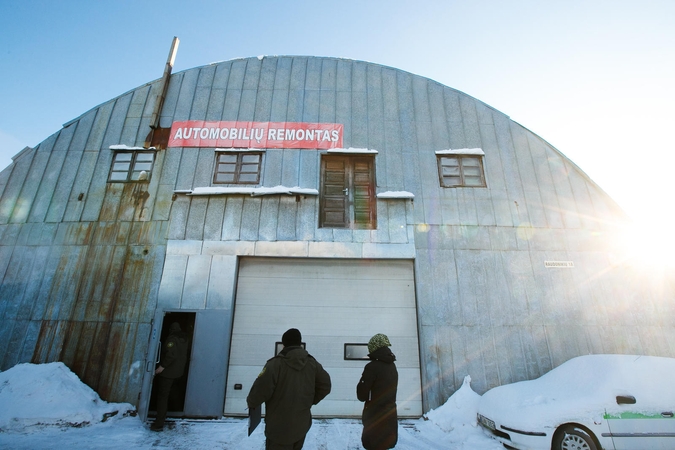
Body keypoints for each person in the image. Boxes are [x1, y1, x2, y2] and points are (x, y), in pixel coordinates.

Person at [247, 328, 332, 450]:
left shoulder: (275, 364)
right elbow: (325, 385)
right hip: (301, 426)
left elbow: (259, 391)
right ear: (299, 342)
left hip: (278, 428)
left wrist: (252, 403)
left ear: (284, 344)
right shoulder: (312, 363)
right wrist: (309, 401)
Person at [357, 333, 399, 450]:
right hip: (390, 415)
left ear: (374, 348)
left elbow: (361, 395)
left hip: (375, 416)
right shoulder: (392, 366)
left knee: (374, 444)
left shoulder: (371, 367)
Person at [151, 322, 189, 431]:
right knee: (174, 392)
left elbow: (171, 355)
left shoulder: (172, 339)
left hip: (168, 373)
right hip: (179, 372)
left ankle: (159, 423)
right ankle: (176, 410)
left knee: (163, 396)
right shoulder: (185, 339)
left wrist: (162, 366)